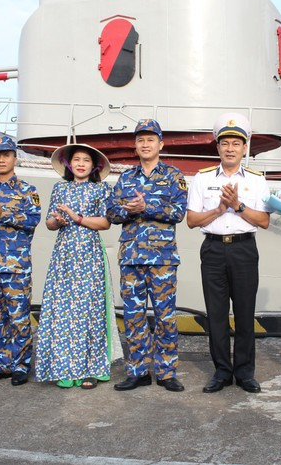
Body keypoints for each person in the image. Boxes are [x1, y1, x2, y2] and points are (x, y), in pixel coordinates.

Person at [186, 113, 270, 394]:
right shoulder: (202, 179)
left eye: (236, 143)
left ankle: (245, 372)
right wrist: (219, 209)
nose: (230, 149)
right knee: (217, 314)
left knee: (245, 313)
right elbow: (192, 220)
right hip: (213, 249)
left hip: (244, 249)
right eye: (225, 143)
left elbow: (264, 221)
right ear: (218, 147)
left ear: (245, 148)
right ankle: (222, 371)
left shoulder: (257, 181)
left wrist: (238, 206)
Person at [106, 119, 188, 393]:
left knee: (165, 317)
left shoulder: (174, 176)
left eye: (150, 139)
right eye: (140, 140)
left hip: (162, 259)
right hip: (131, 257)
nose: (145, 144)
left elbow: (179, 212)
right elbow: (112, 213)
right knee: (133, 317)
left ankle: (166, 372)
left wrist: (146, 207)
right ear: (135, 145)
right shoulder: (126, 178)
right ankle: (137, 371)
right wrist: (128, 210)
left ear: (160, 144)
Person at [36, 142, 119, 389]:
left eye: (86, 160)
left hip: (89, 254)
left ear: (94, 166)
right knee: (62, 310)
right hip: (64, 255)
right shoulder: (59, 188)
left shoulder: (101, 189)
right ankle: (64, 367)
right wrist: (58, 221)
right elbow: (49, 223)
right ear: (68, 164)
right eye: (77, 159)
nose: (81, 164)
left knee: (90, 310)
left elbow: (105, 223)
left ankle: (91, 368)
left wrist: (76, 217)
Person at [0, 136, 41, 386]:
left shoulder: (27, 190)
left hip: (16, 267)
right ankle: (0, 364)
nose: (1, 160)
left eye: (6, 155)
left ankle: (21, 366)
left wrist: (3, 213)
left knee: (19, 318)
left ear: (15, 158)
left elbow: (32, 221)